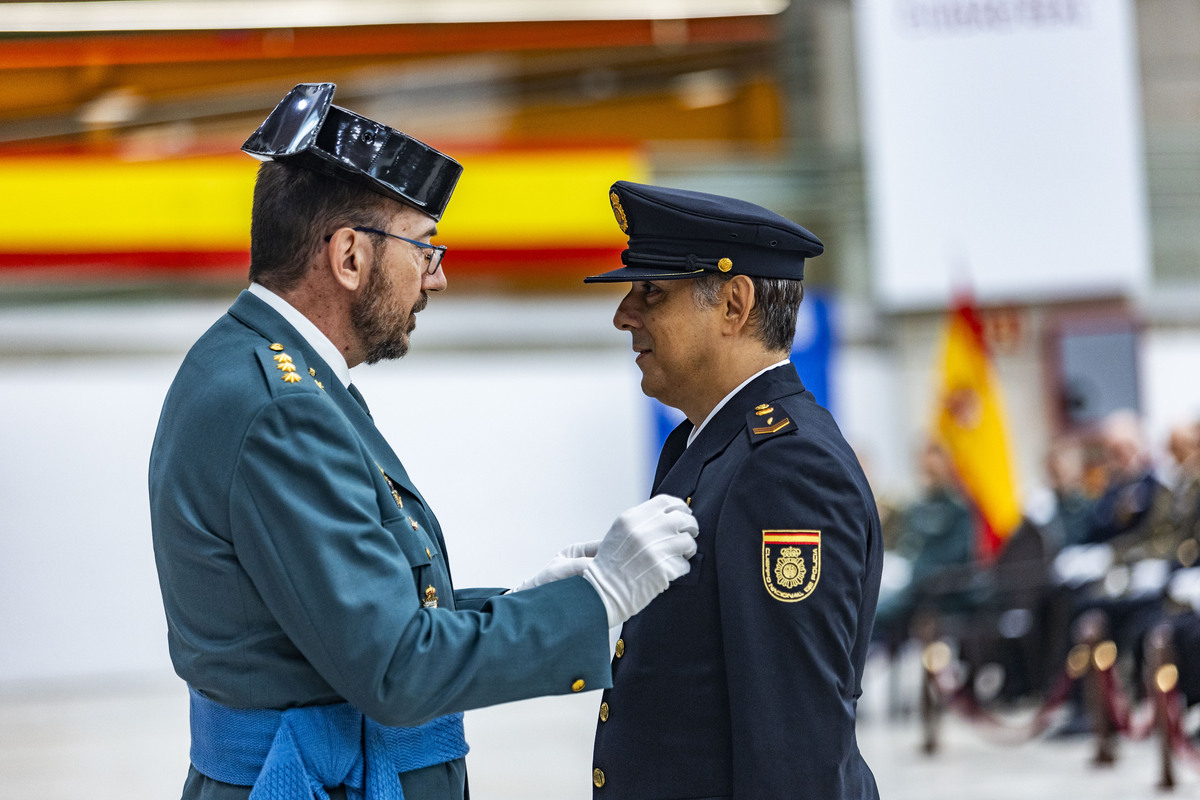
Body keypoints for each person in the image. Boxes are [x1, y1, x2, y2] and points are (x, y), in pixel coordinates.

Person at [148, 84, 699, 800]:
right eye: (424, 246)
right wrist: (595, 601)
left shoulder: (261, 368)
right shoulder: (282, 408)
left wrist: (519, 603)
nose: (437, 275)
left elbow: (350, 613)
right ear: (349, 256)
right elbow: (397, 668)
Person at [582, 181, 882, 799]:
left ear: (733, 305)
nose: (624, 315)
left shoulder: (787, 467)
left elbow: (794, 741)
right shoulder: (708, 444)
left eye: (652, 293)